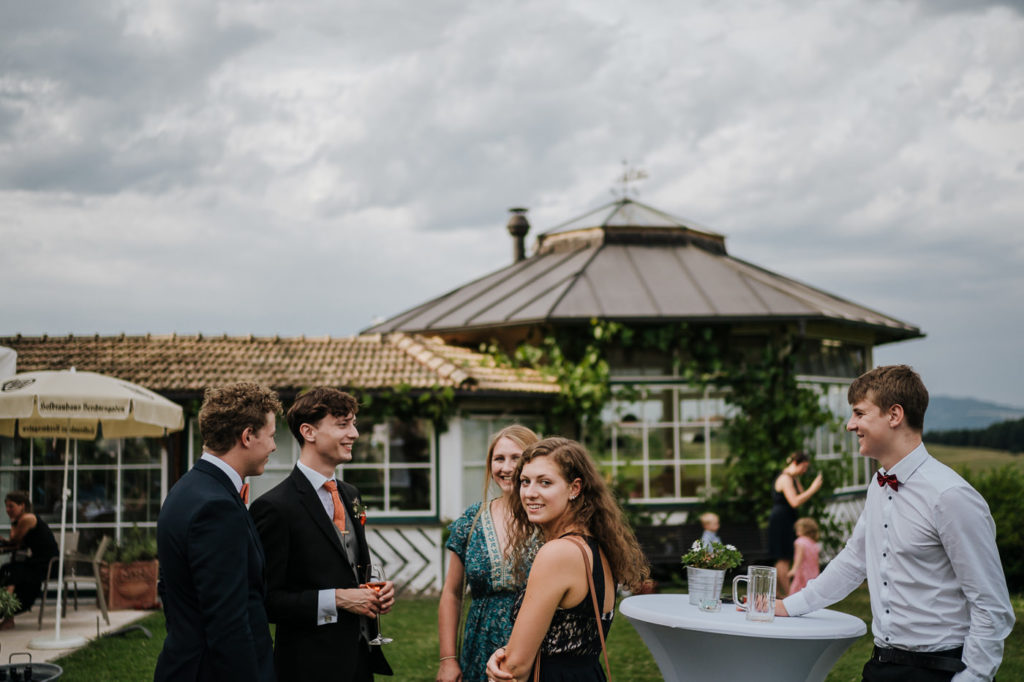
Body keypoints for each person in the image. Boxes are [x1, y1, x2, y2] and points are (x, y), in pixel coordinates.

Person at [777, 365, 1015, 681]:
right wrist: (788, 607)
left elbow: (991, 606)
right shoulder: (878, 485)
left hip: (942, 671)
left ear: (894, 415)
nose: (851, 425)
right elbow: (852, 562)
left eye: (859, 413)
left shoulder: (950, 496)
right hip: (881, 666)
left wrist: (972, 678)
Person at [250, 387, 393, 682]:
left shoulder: (351, 494)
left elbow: (348, 565)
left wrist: (373, 593)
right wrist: (338, 599)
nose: (354, 433)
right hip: (309, 666)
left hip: (360, 661)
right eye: (343, 424)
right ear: (308, 432)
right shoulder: (274, 508)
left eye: (353, 423)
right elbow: (266, 601)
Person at [485, 437, 649, 682]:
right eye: (525, 482)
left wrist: (501, 664)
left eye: (545, 482)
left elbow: (515, 669)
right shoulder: (595, 546)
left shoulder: (557, 553)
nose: (530, 493)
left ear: (574, 488)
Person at [154, 382, 281, 682]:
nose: (274, 446)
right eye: (272, 436)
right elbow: (228, 623)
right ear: (247, 436)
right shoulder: (215, 507)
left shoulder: (189, 488)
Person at [437, 425, 541, 682]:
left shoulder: (549, 518)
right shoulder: (472, 520)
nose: (506, 468)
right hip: (480, 648)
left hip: (538, 648)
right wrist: (448, 659)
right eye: (499, 459)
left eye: (516, 458)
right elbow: (451, 594)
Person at [0, 491, 59, 629]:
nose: (8, 510)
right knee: (7, 570)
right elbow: (16, 545)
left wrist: (13, 524)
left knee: (13, 573)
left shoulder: (28, 519)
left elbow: (14, 540)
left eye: (11, 506)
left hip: (48, 565)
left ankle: (6, 613)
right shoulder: (23, 520)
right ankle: (8, 615)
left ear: (22, 506)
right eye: (6, 507)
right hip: (36, 562)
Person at [768, 451, 822, 596]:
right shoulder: (785, 478)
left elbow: (801, 493)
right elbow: (795, 501)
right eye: (804, 467)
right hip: (781, 520)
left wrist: (797, 477)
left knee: (785, 556)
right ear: (795, 463)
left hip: (788, 519)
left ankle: (779, 593)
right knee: (783, 557)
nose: (805, 470)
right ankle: (787, 594)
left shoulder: (792, 478)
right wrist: (813, 488)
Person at [787, 517, 820, 595]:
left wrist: (794, 569)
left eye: (798, 528)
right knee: (810, 592)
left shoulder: (800, 541)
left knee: (796, 592)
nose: (796, 530)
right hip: (813, 572)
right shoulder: (814, 543)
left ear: (805, 529)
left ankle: (791, 605)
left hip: (802, 572)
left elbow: (799, 557)